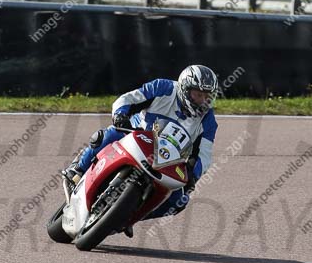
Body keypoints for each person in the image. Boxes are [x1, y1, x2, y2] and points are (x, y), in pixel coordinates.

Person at [62, 65, 219, 236]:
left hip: (167, 159)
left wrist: (193, 173)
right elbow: (127, 99)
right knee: (108, 135)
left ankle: (130, 217)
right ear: (184, 89)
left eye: (206, 96)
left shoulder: (208, 120)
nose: (202, 100)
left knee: (179, 200)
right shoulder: (163, 88)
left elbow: (204, 154)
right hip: (137, 135)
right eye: (198, 94)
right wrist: (120, 115)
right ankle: (78, 169)